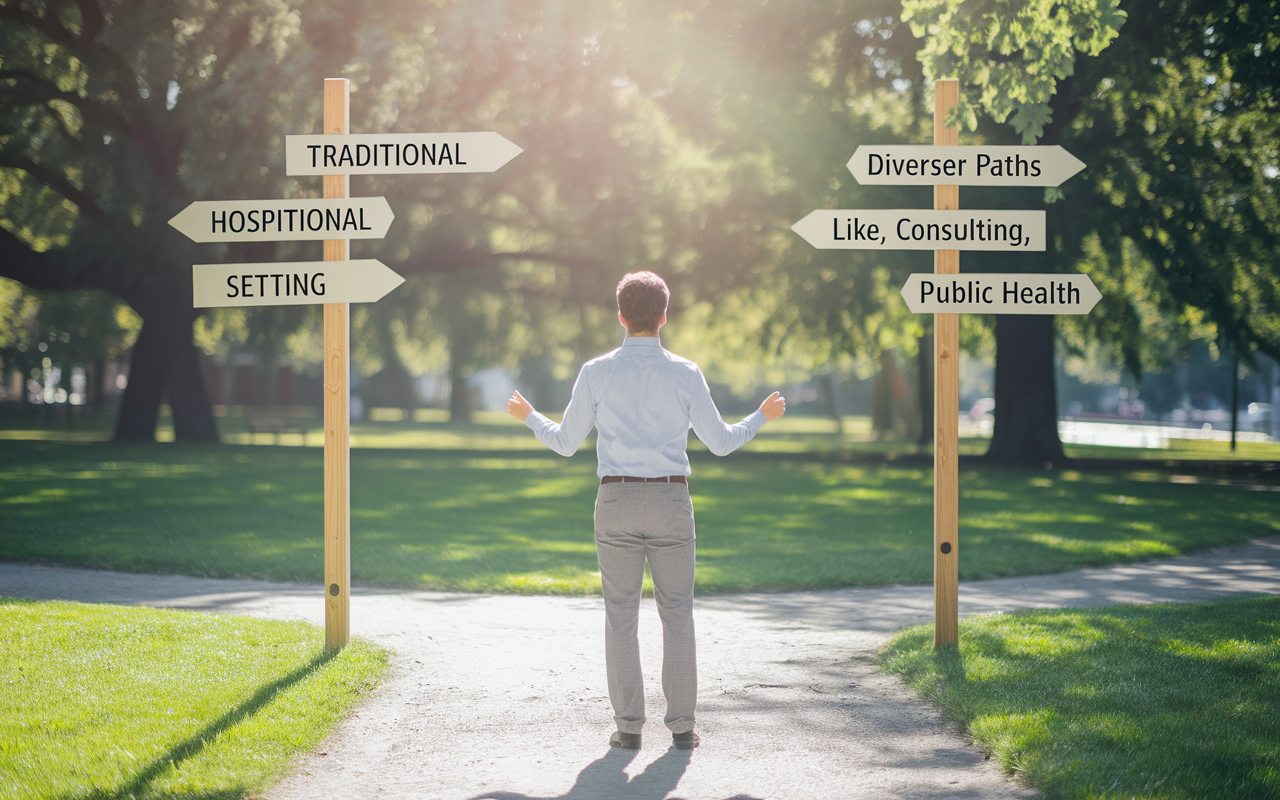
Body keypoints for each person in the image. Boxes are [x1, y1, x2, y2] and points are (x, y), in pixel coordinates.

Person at [506, 270, 786, 751]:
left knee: (620, 617)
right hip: (670, 501)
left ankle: (628, 728)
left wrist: (529, 416)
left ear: (620, 315)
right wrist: (762, 416)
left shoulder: (596, 371)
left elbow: (565, 442)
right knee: (677, 615)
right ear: (664, 315)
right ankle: (681, 727)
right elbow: (720, 443)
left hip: (614, 501)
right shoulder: (685, 372)